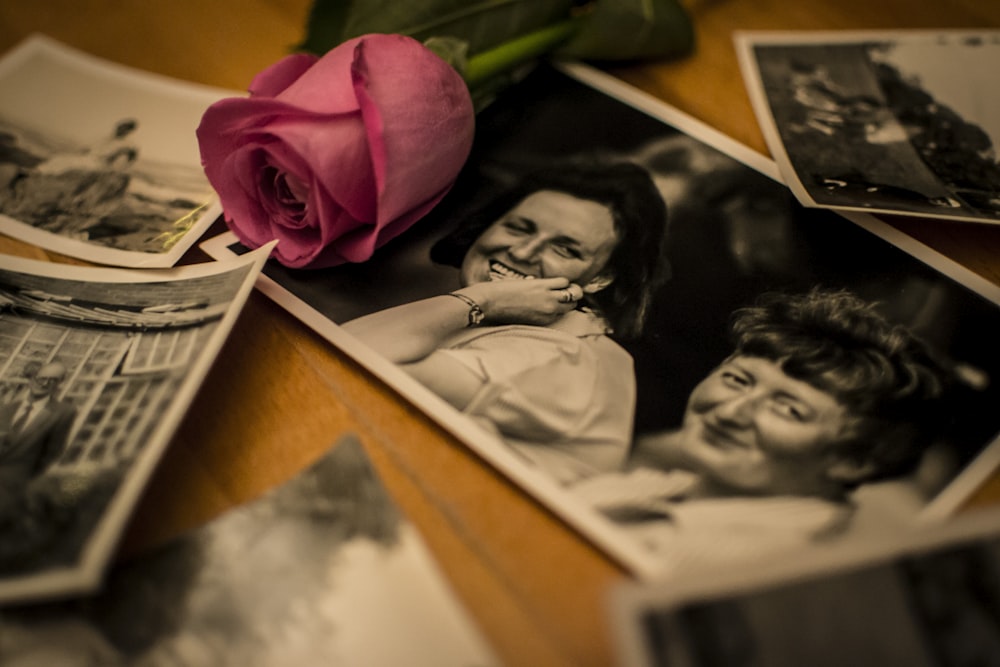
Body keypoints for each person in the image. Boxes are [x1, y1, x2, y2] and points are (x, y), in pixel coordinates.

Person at [572, 288, 956, 570]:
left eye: (788, 408)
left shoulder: (764, 567)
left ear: (853, 460)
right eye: (738, 380)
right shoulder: (664, 489)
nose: (731, 411)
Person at [344, 161, 670, 483]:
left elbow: (346, 362)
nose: (524, 252)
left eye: (565, 249)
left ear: (601, 278)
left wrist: (484, 299)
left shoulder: (558, 358)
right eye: (519, 227)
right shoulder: (549, 334)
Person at [0, 361, 77, 516]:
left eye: (52, 380)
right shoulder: (7, 409)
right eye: (41, 378)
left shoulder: (62, 413)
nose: (44, 383)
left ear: (58, 385)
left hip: (14, 488)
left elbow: (52, 454)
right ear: (31, 379)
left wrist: (26, 484)